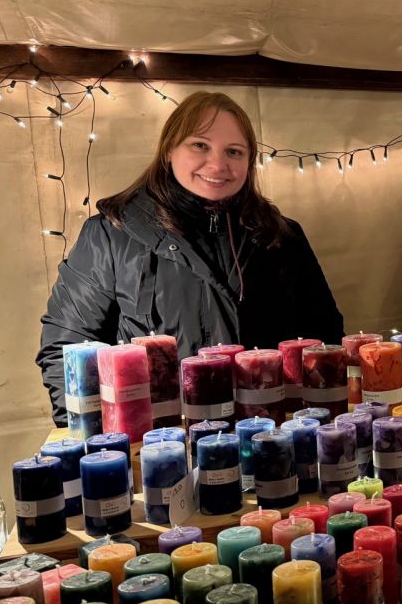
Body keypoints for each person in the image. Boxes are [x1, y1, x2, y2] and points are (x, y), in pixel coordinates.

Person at [37, 91, 343, 425]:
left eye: (234, 151)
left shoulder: (281, 236)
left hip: (271, 434)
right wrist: (93, 438)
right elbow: (65, 347)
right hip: (159, 440)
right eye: (200, 145)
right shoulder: (113, 235)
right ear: (169, 149)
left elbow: (324, 334)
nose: (218, 165)